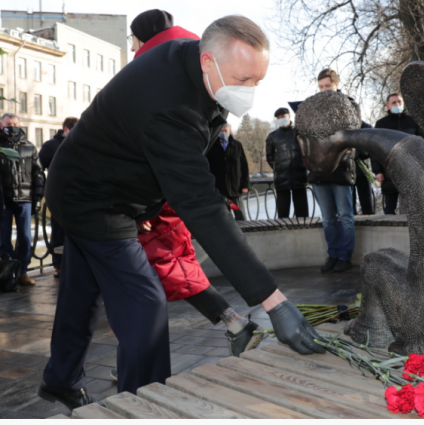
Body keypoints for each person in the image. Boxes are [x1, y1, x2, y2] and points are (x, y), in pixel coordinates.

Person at [39, 15, 323, 410]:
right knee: (144, 303)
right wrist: (273, 302)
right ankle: (144, 405)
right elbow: (202, 206)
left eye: (258, 80)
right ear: (208, 61)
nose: (251, 92)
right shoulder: (172, 108)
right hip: (94, 200)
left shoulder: (198, 66)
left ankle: (60, 379)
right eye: (244, 80)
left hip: (93, 186)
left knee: (81, 292)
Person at [103, 11, 265, 383]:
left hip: (158, 198)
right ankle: (232, 322)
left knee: (144, 279)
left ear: (143, 39)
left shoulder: (154, 73)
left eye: (132, 40)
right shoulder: (191, 69)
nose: (131, 47)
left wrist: (139, 205)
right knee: (173, 269)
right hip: (171, 195)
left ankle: (139, 365)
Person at [309, 68, 357, 273]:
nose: (324, 91)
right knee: (328, 218)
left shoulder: (349, 104)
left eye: (328, 86)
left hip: (341, 168)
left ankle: (345, 257)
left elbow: (353, 133)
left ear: (337, 85)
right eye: (320, 87)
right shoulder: (312, 107)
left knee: (345, 216)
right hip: (319, 171)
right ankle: (334, 254)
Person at [0, 113, 44, 286]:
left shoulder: (29, 147)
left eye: (15, 123)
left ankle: (23, 272)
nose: (12, 126)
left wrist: (38, 197)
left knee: (25, 237)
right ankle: (6, 273)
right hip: (3, 201)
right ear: (1, 125)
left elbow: (38, 173)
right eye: (9, 123)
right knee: (3, 239)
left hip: (24, 199)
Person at [39, 117, 78, 279]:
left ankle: (74, 264)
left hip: (78, 195)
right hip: (59, 195)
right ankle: (59, 265)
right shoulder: (51, 146)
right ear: (66, 130)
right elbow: (41, 166)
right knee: (58, 231)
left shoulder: (80, 144)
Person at [373, 93, 423, 214]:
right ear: (388, 106)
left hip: (411, 170)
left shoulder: (413, 121)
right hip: (389, 171)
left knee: (414, 208)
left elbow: (423, 145)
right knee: (389, 208)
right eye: (394, 103)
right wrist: (377, 171)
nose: (397, 104)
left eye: (399, 102)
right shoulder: (381, 124)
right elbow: (374, 149)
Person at [265, 107, 309, 218]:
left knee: (302, 211)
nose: (281, 119)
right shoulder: (272, 136)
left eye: (283, 117)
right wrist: (278, 167)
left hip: (299, 174)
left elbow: (307, 151)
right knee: (283, 212)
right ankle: (283, 232)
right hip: (281, 177)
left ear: (289, 116)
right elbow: (269, 156)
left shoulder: (299, 132)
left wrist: (302, 165)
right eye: (278, 118)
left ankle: (303, 232)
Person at [206, 124, 250, 221]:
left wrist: (245, 184)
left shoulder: (237, 145)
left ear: (230, 131)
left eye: (225, 130)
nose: (223, 132)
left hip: (234, 189)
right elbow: (207, 167)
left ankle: (243, 233)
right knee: (223, 217)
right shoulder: (212, 146)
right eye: (221, 131)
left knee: (239, 214)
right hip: (220, 189)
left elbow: (244, 166)